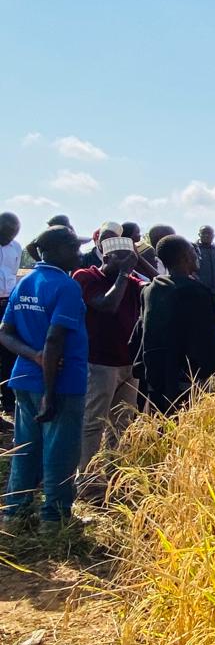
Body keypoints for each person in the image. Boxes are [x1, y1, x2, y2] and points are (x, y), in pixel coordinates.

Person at [0, 226, 88, 529]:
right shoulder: (66, 286)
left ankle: (15, 512)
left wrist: (31, 356)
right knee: (60, 450)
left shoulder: (26, 283)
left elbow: (5, 333)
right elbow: (54, 341)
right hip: (59, 385)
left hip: (24, 380)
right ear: (57, 249)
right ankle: (55, 518)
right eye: (73, 248)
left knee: (26, 447)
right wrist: (50, 390)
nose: (78, 254)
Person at [72, 236, 143, 497]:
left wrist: (134, 267)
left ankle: (114, 478)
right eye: (121, 257)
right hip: (99, 362)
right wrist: (124, 273)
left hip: (127, 363)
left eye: (130, 258)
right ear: (105, 257)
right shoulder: (86, 278)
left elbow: (157, 283)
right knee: (93, 423)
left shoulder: (134, 284)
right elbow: (106, 306)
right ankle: (87, 483)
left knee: (121, 424)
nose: (128, 263)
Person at [138, 236, 215, 414]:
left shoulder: (150, 290)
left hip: (157, 378)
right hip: (187, 381)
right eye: (194, 252)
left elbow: (143, 332)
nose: (198, 257)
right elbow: (208, 339)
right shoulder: (196, 293)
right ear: (185, 256)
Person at [0, 212, 22, 425]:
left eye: (13, 234)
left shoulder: (16, 248)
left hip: (7, 304)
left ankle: (8, 404)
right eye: (6, 233)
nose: (9, 238)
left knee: (8, 354)